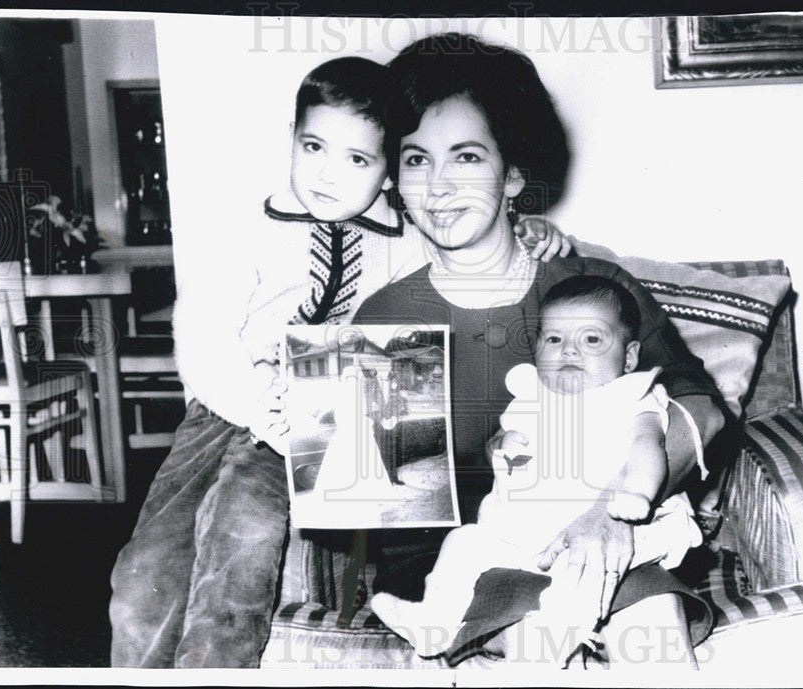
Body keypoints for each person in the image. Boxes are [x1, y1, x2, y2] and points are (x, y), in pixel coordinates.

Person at [109, 55, 570, 668]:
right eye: (313, 146)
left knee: (239, 549)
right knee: (146, 574)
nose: (328, 173)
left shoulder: (409, 239)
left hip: (323, 420)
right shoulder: (249, 229)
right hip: (224, 414)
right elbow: (200, 333)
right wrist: (254, 405)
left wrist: (533, 230)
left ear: (386, 175)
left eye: (357, 159)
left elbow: (471, 248)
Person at [352, 33, 728, 667]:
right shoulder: (387, 318)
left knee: (653, 631)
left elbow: (704, 409)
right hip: (463, 572)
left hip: (611, 540)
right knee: (540, 639)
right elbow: (385, 516)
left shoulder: (590, 290)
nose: (439, 186)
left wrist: (614, 512)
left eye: (466, 157)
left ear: (513, 174)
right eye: (416, 160)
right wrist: (316, 435)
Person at [370, 275, 708, 665]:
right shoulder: (531, 396)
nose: (570, 351)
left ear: (629, 357)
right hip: (519, 535)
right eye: (554, 340)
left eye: (592, 340)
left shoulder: (628, 397)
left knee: (578, 579)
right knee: (462, 544)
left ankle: (567, 626)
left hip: (596, 531)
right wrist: (503, 445)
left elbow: (648, 448)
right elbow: (504, 457)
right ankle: (433, 622)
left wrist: (636, 494)